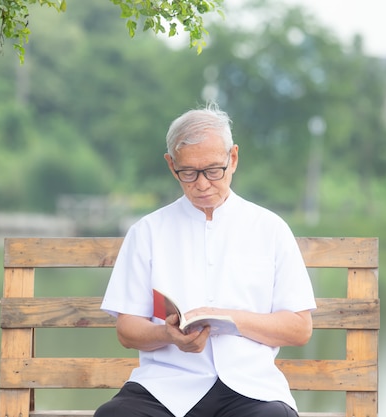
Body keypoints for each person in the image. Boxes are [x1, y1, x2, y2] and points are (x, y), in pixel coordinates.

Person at [95, 103, 317, 417]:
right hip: (165, 385)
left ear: (233, 158)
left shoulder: (270, 229)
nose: (202, 184)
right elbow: (127, 329)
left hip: (250, 388)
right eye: (188, 172)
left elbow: (299, 328)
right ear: (172, 166)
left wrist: (228, 319)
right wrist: (167, 335)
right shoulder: (147, 232)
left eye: (214, 170)